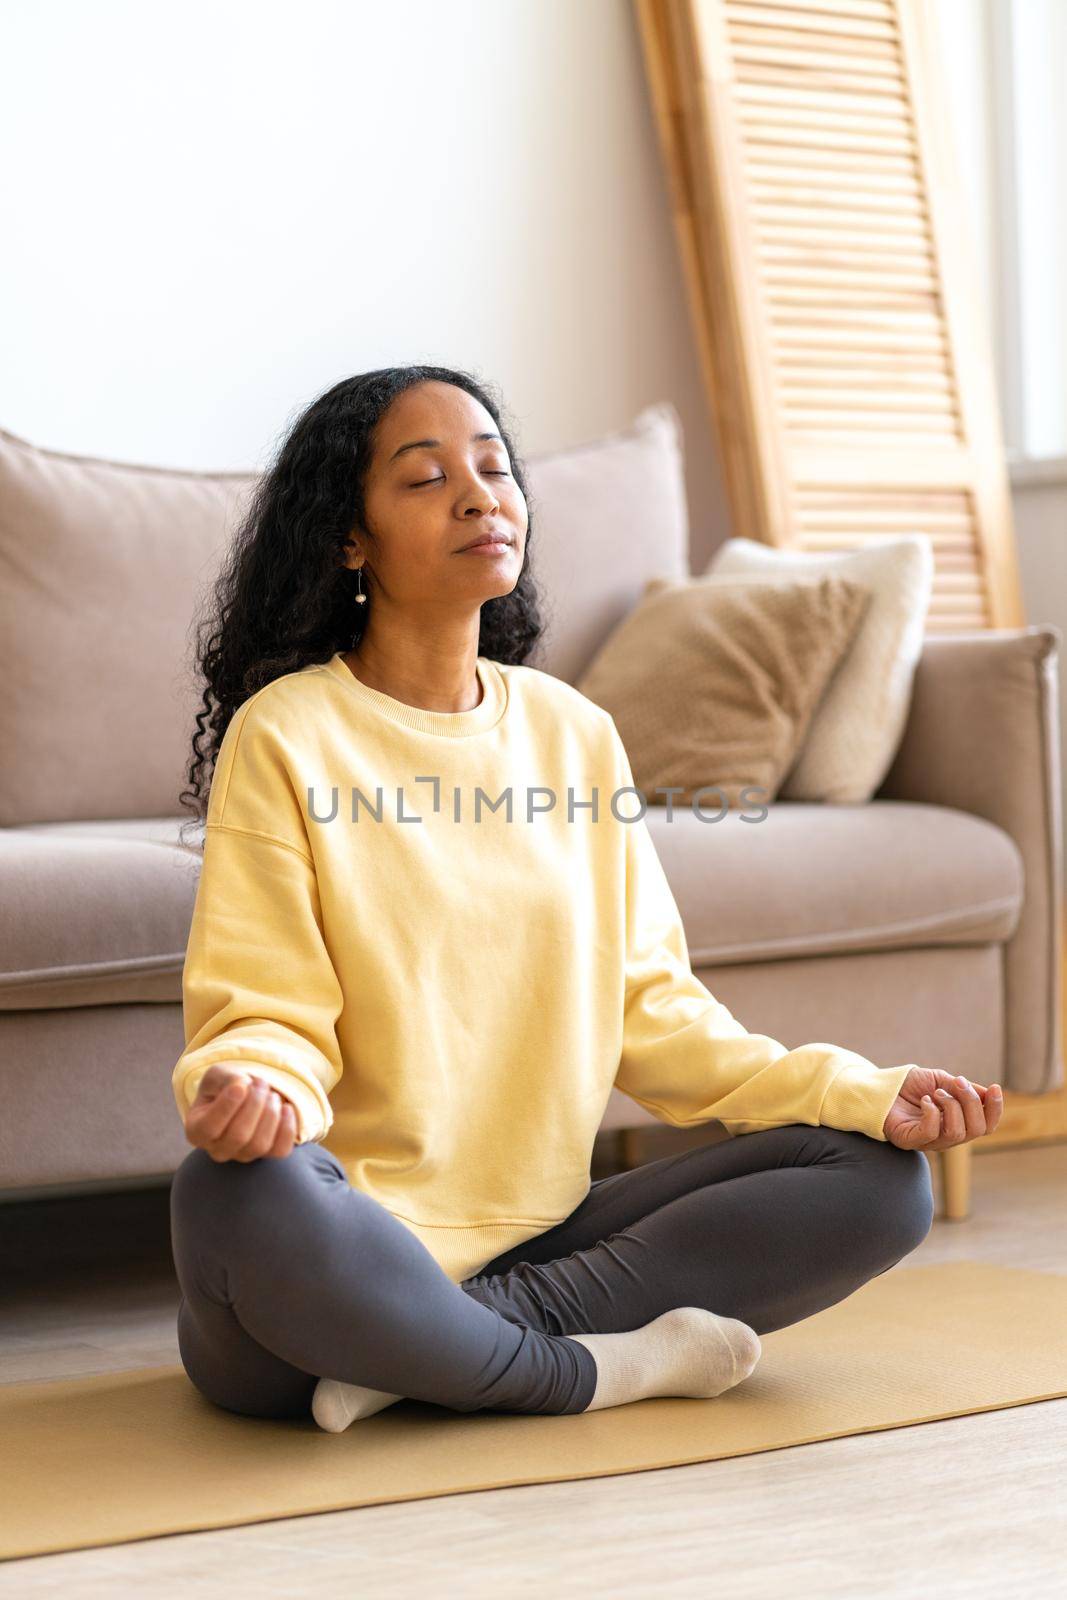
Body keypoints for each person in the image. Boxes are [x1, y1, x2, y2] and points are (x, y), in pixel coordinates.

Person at [169, 367, 1002, 1433]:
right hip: (346, 1244)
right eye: (425, 479)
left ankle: (445, 1346)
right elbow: (265, 1004)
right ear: (349, 540)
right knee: (231, 1195)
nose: (478, 495)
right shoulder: (286, 734)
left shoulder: (572, 734)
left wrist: (858, 1091)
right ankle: (592, 1370)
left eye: (493, 468)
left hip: (538, 1241)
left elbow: (655, 1013)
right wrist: (253, 1090)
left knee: (880, 1181)